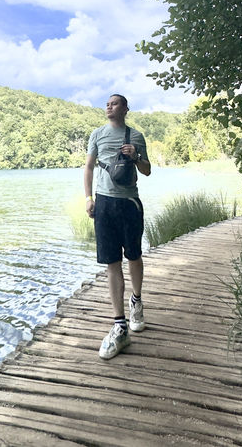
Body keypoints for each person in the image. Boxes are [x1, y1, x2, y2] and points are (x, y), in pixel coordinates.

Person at [84, 93, 151, 359]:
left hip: (129, 204)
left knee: (133, 256)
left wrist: (136, 156)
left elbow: (147, 170)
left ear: (125, 108)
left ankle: (136, 300)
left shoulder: (136, 136)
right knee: (112, 262)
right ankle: (119, 325)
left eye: (114, 103)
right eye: (107, 104)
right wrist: (88, 198)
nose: (108, 106)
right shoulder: (97, 134)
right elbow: (88, 167)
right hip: (104, 204)